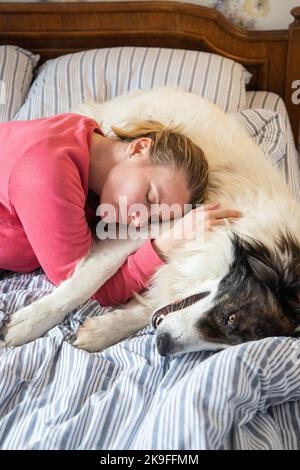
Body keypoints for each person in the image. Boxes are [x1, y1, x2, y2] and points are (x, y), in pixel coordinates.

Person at [0, 113, 241, 306]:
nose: (138, 221)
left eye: (153, 219)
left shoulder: (81, 134)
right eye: (150, 198)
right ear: (138, 149)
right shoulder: (49, 174)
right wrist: (166, 244)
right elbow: (85, 290)